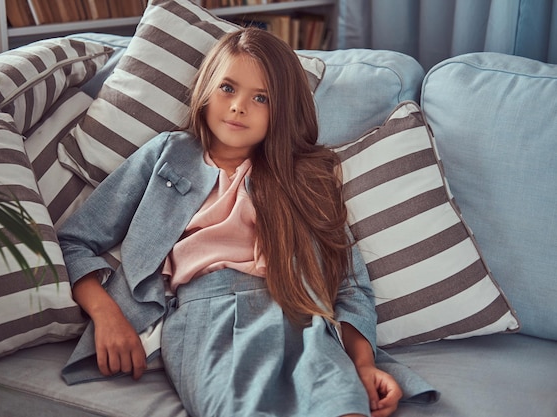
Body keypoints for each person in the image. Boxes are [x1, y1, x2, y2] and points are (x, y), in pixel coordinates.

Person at [58, 28, 437, 417]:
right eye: (227, 88)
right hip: (207, 319)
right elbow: (73, 241)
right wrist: (107, 315)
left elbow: (351, 284)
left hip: (304, 318)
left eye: (261, 98)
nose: (239, 106)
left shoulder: (304, 177)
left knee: (344, 408)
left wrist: (363, 365)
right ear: (205, 89)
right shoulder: (167, 155)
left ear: (283, 110)